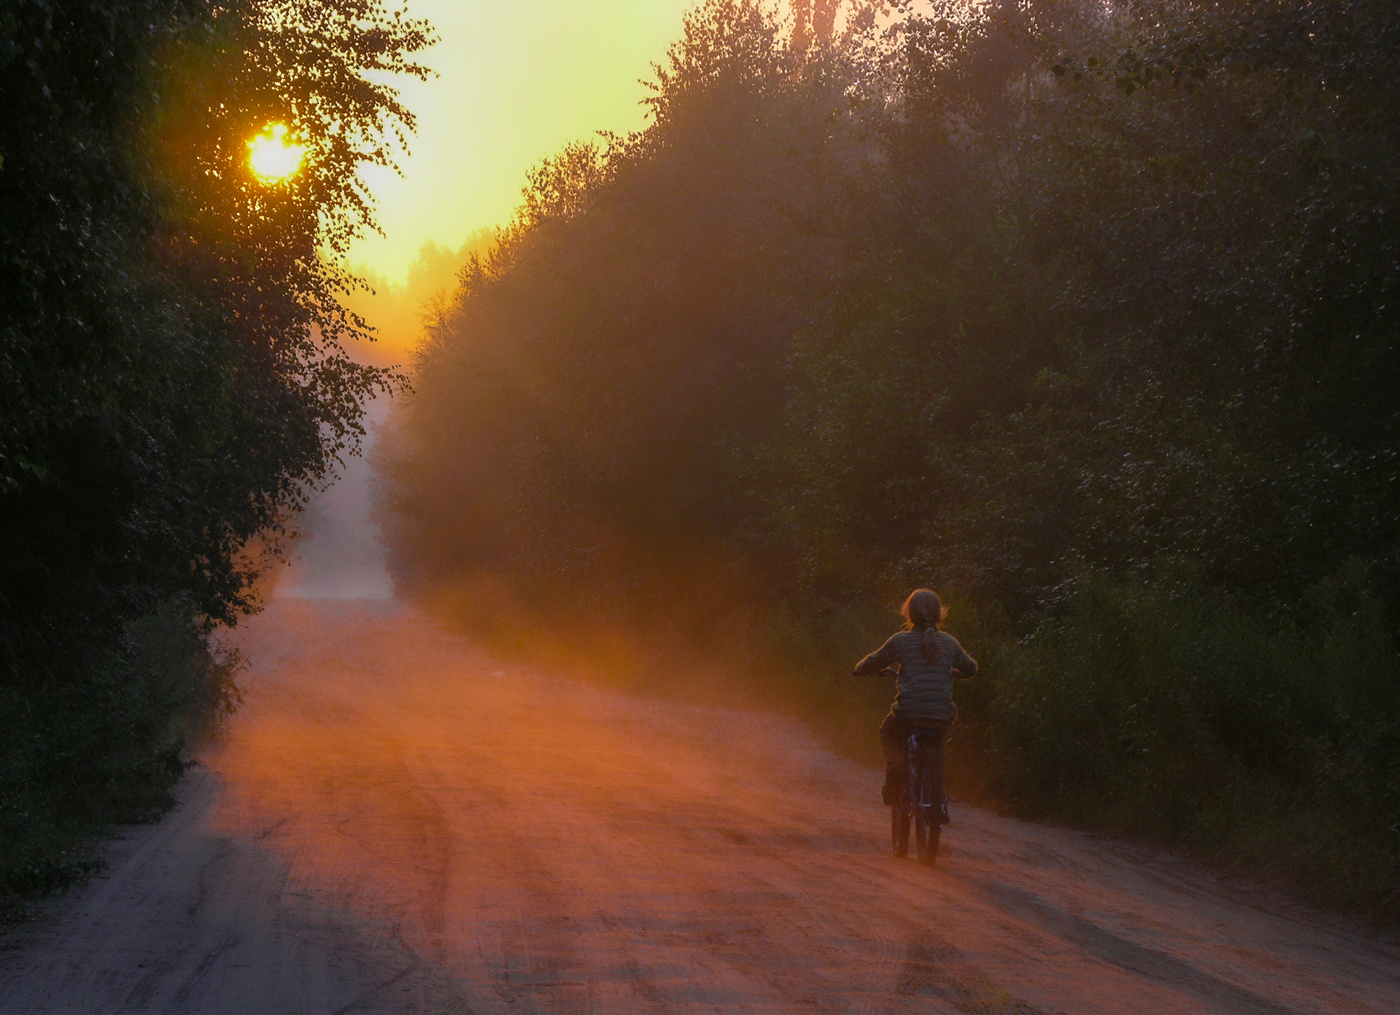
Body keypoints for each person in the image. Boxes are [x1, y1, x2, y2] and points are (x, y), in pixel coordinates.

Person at [851, 588, 977, 817]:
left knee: (888, 731)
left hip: (908, 713)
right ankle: (938, 799)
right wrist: (955, 672)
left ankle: (897, 770)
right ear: (939, 614)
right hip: (942, 714)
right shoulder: (949, 643)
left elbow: (875, 662)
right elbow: (970, 668)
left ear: (909, 613)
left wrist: (860, 669)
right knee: (938, 742)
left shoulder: (901, 641)